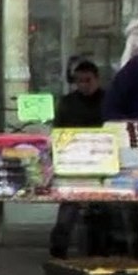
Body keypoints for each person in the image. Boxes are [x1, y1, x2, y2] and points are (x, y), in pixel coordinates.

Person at [50, 59, 109, 259]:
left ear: (97, 80)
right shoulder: (67, 103)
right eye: (79, 81)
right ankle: (58, 254)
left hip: (102, 162)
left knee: (101, 213)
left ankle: (97, 254)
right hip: (73, 163)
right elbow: (58, 132)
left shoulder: (107, 100)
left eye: (88, 80)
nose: (84, 85)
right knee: (67, 213)